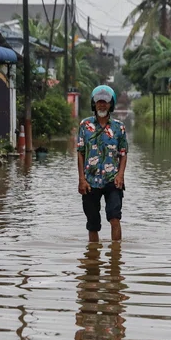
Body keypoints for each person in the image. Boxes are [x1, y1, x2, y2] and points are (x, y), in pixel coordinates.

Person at [76, 85, 128, 242]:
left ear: (111, 104)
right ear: (94, 104)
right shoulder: (85, 126)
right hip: (90, 181)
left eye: (105, 101)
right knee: (92, 224)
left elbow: (123, 154)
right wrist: (81, 179)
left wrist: (120, 175)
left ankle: (115, 258)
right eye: (99, 101)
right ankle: (93, 259)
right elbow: (80, 153)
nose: (102, 104)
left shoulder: (119, 127)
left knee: (114, 218)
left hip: (112, 180)